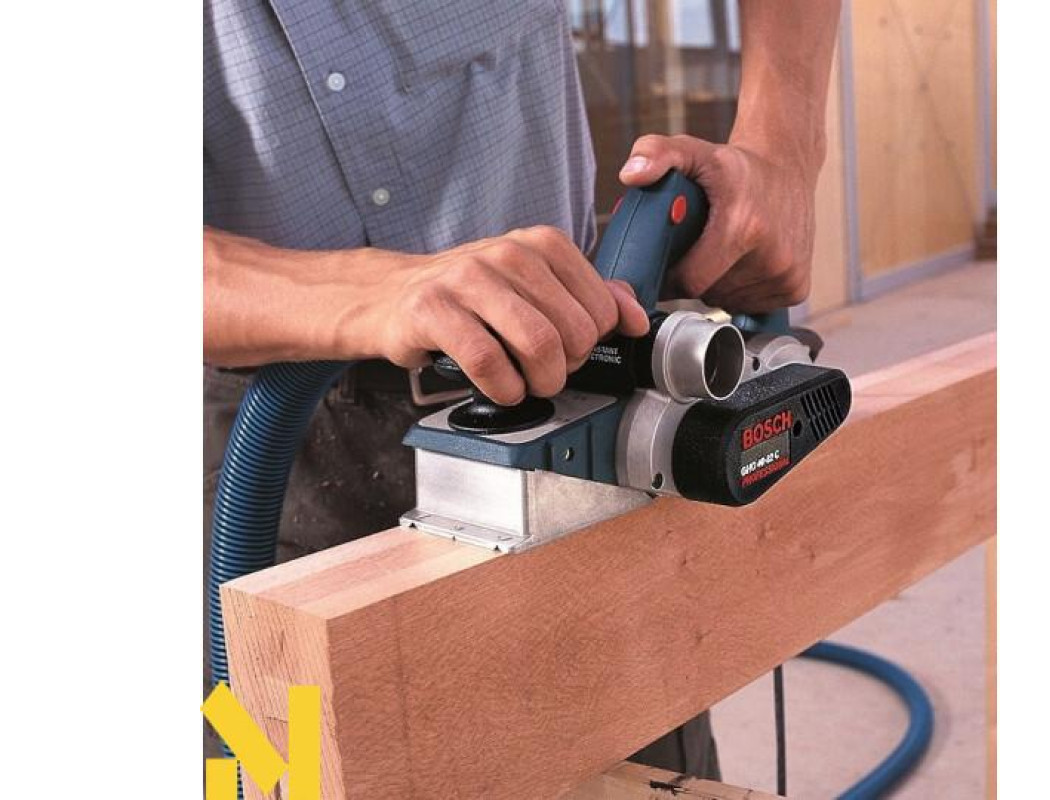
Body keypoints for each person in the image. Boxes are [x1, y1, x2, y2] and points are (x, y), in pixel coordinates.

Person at [204, 0, 840, 778]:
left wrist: (783, 144)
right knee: (271, 766)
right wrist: (360, 290)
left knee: (635, 758)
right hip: (271, 440)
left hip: (573, 398)